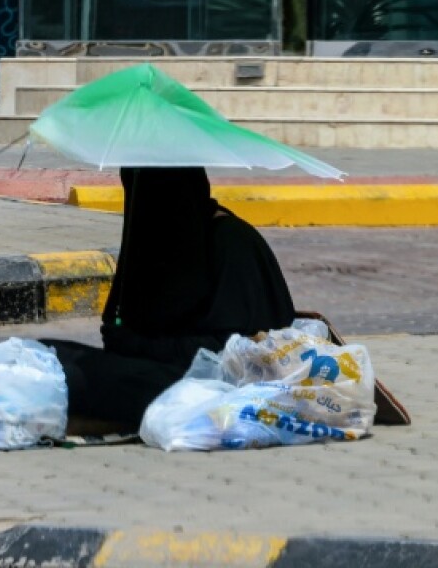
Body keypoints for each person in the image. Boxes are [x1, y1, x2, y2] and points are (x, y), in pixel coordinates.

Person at [42, 166, 296, 432]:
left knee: (77, 379)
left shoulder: (231, 242)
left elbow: (227, 351)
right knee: (52, 354)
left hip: (216, 384)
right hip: (162, 366)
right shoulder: (159, 241)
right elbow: (123, 322)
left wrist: (139, 345)